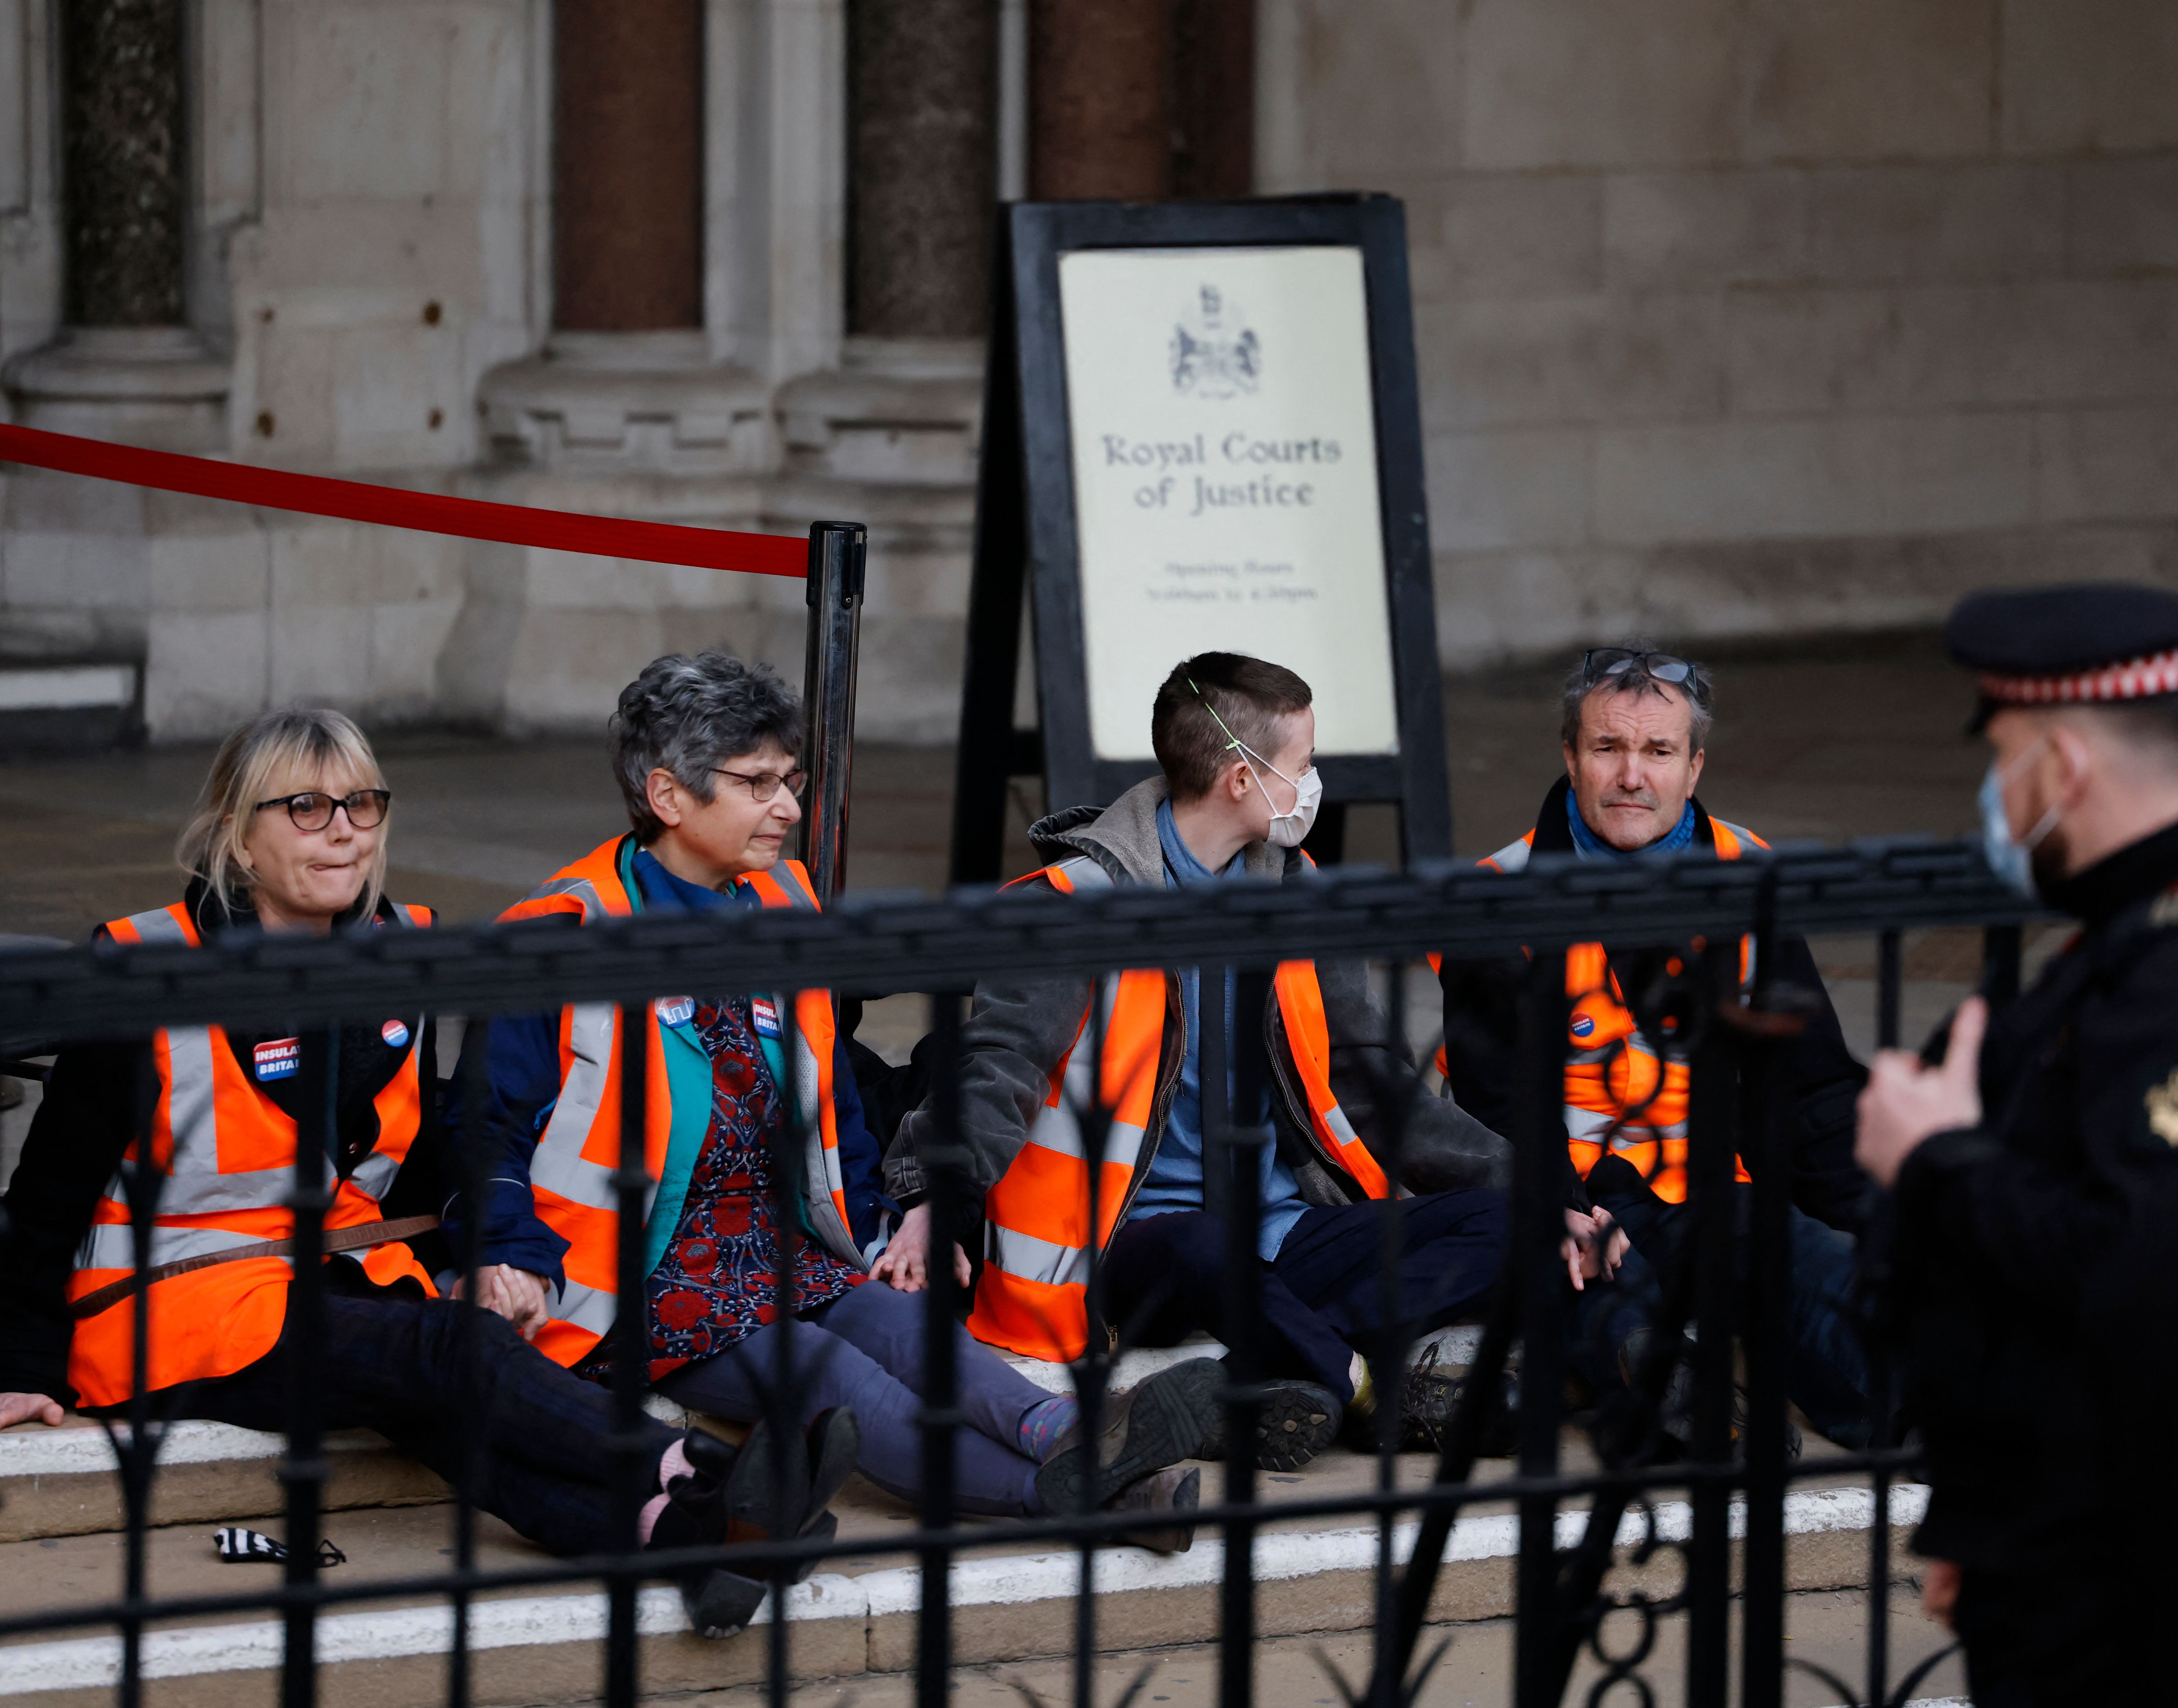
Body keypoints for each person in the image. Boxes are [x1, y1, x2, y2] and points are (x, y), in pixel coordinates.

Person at [0, 708, 849, 1640]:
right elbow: (48, 1189)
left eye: (362, 802)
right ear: (239, 832)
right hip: (171, 1307)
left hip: (321, 1281)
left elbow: (430, 1146)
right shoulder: (145, 966)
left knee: (451, 1404)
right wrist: (22, 1366)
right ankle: (695, 1473)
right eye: (307, 807)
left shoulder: (401, 954)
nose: (345, 827)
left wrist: (487, 1250)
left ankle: (689, 1538)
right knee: (453, 1355)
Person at [464, 652, 1217, 1549]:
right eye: (757, 785)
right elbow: (487, 1126)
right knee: (830, 1372)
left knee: (899, 1325)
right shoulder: (560, 933)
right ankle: (1093, 1498)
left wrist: (874, 1230)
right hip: (637, 1279)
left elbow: (833, 1109)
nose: (788, 808)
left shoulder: (784, 904)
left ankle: (1086, 1444)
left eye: (791, 781)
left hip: (778, 1246)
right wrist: (504, 1254)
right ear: (668, 796)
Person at [884, 652, 1536, 1461]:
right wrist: (935, 1194)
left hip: (1281, 1229)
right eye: (1301, 765)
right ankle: (1370, 1390)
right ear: (1240, 778)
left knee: (1518, 1220)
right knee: (1199, 1247)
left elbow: (1373, 1080)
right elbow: (999, 1065)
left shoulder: (1297, 894)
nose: (1312, 784)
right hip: (1131, 1248)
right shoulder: (1075, 906)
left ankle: (1268, 1369)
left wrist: (1538, 1183)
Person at [1859, 584, 2178, 1706]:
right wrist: (1978, 1521)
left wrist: (1934, 1157)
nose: (1995, 797)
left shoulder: (2155, 982)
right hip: (2056, 1543)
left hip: (2114, 1584)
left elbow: (2129, 1273)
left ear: (2063, 767)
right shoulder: (2116, 951)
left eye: (2002, 758)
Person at [1435, 645, 1877, 1450]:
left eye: (1658, 751)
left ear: (1694, 766)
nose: (1631, 775)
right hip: (1575, 1192)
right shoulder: (1495, 895)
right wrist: (1569, 1203)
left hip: (1719, 1183)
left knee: (1832, 1277)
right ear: (1572, 756)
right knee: (1600, 1292)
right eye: (1608, 747)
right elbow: (1492, 1108)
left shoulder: (1751, 874)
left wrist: (1867, 1216)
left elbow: (1811, 1084)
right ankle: (1682, 1401)